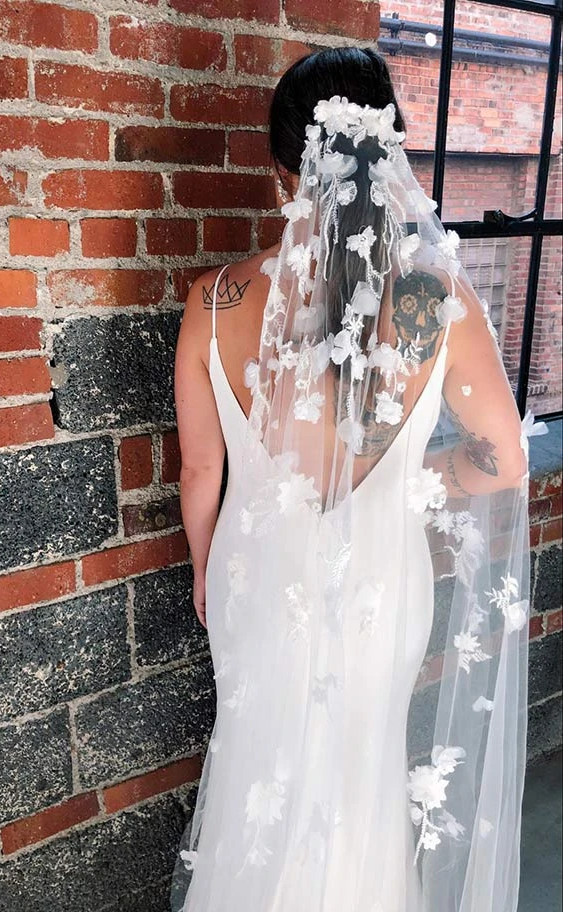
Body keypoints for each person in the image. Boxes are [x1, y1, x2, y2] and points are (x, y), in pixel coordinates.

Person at [171, 46, 532, 912]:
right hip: (379, 585)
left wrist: (201, 571)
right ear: (392, 159)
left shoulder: (213, 301)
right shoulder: (435, 299)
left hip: (253, 576)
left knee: (262, 770)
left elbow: (200, 467)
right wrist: (412, 476)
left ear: (277, 175)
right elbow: (505, 458)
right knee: (362, 774)